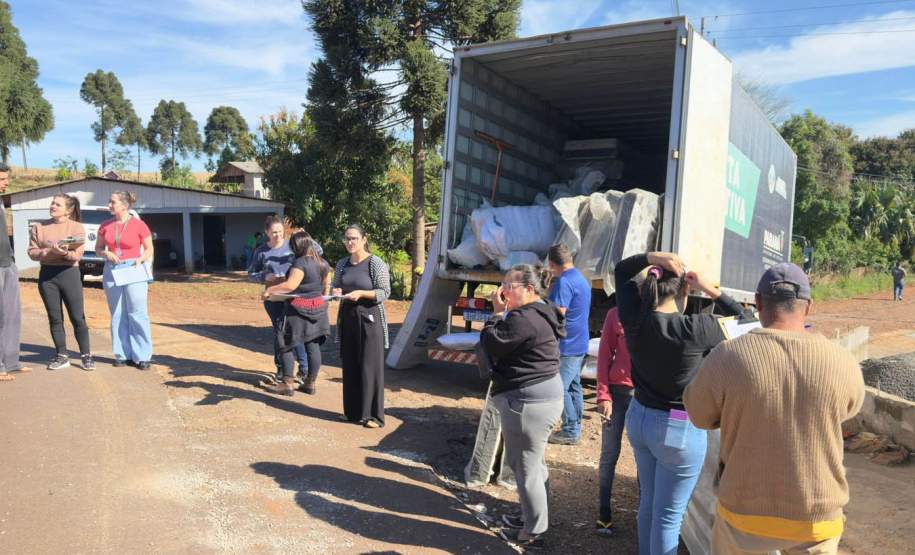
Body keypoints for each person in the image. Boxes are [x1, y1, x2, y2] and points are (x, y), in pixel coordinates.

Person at [684, 263, 865, 555]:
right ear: (808, 306)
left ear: (757, 302)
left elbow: (698, 414)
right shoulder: (842, 361)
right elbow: (849, 410)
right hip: (817, 520)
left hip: (744, 516)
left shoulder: (726, 357)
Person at [615, 251, 747, 555]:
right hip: (679, 428)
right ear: (684, 291)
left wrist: (652, 257)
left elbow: (622, 271)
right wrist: (712, 290)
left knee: (647, 504)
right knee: (668, 517)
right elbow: (749, 322)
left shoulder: (634, 317)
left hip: (639, 418)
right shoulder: (697, 329)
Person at [480, 264, 565, 548]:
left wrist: (495, 314)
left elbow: (493, 342)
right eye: (503, 284)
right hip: (542, 396)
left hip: (528, 401)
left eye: (509, 286)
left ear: (529, 289)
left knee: (525, 465)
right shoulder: (543, 309)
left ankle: (533, 533)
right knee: (534, 462)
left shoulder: (524, 318)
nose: (503, 291)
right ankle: (533, 516)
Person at [331, 224, 391, 429]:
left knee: (370, 366)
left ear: (364, 239)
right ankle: (353, 413)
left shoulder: (375, 263)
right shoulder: (341, 264)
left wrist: (362, 293)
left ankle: (374, 416)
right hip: (348, 317)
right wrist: (336, 291)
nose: (350, 242)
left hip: (369, 318)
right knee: (350, 365)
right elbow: (335, 286)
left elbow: (384, 292)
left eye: (354, 238)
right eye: (347, 238)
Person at [27, 194, 94, 370]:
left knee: (77, 317)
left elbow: (77, 255)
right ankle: (62, 355)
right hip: (47, 276)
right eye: (52, 203)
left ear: (68, 210)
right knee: (55, 318)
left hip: (69, 274)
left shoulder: (77, 227)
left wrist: (63, 253)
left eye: (57, 204)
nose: (53, 206)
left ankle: (86, 355)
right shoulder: (39, 227)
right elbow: (32, 252)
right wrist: (47, 252)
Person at [262, 231, 331, 396]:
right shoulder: (323, 263)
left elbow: (290, 286)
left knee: (285, 344)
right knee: (313, 347)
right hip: (318, 310)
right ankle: (310, 383)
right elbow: (327, 285)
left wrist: (270, 290)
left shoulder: (300, 263)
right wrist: (321, 301)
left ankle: (287, 383)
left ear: (296, 246)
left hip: (298, 312)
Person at [95, 190, 154, 370]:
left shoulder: (139, 225)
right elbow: (98, 248)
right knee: (118, 313)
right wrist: (106, 253)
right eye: (110, 201)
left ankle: (142, 355)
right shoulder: (105, 225)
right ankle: (122, 354)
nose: (109, 205)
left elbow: (149, 248)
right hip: (112, 271)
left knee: (137, 313)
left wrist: (141, 259)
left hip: (133, 270)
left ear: (124, 205)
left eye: (112, 202)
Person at [248, 216, 311, 382]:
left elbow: (317, 252)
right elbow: (251, 274)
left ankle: (303, 368)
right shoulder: (261, 251)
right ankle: (281, 368)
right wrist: (264, 276)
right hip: (273, 298)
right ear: (267, 233)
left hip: (293, 295)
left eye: (280, 232)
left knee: (296, 331)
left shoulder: (292, 244)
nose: (277, 235)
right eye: (274, 232)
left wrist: (306, 236)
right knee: (279, 332)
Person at [546, 244, 591, 445]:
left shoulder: (563, 282)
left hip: (567, 344)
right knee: (574, 386)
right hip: (580, 341)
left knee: (559, 388)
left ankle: (571, 430)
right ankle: (575, 425)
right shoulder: (580, 278)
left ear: (552, 263)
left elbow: (558, 314)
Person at [595, 306, 633, 537]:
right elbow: (604, 354)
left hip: (646, 398)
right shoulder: (616, 314)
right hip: (617, 395)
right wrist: (603, 394)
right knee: (609, 454)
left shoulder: (658, 312)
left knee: (644, 459)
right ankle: (604, 511)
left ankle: (644, 515)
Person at [0, 162, 29, 382]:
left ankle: (11, 361)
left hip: (7, 263)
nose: (6, 183)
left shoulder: (1, 201)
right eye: (1, 179)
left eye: (6, 178)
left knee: (12, 314)